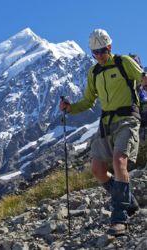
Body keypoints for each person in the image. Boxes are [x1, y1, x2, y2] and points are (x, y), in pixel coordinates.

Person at [60, 28, 147, 236]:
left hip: (128, 119)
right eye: (95, 53)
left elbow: (143, 78)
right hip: (106, 123)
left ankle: (120, 218)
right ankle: (129, 203)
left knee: (119, 161)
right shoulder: (94, 73)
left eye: (102, 51)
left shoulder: (124, 62)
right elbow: (89, 101)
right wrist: (71, 108)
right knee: (98, 170)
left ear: (109, 47)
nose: (99, 56)